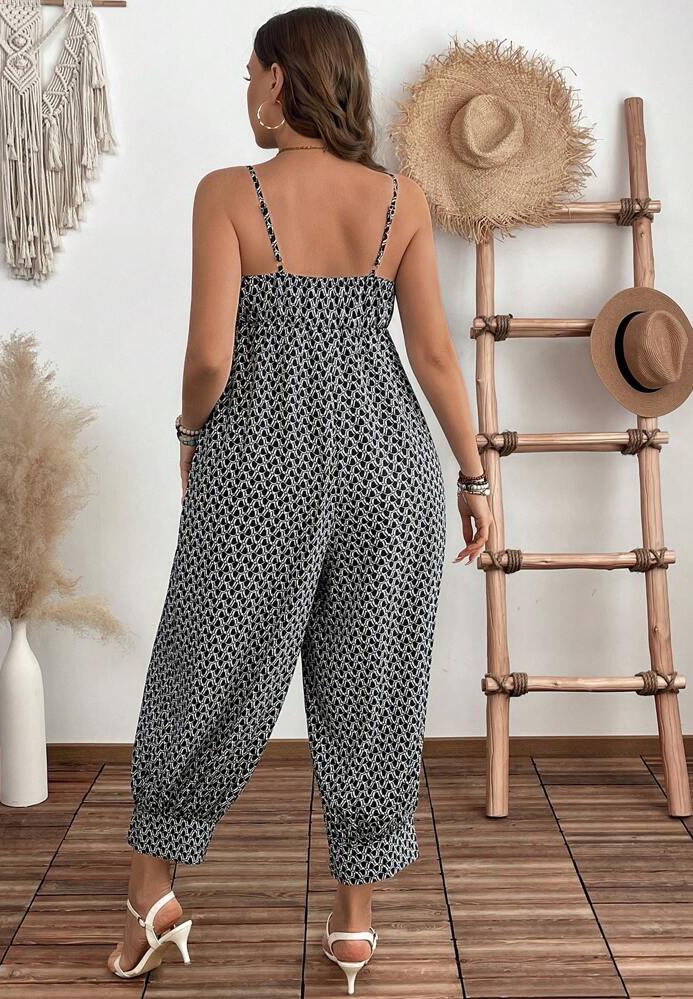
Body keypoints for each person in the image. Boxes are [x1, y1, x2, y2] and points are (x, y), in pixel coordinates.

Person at [107, 6, 492, 991]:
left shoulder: (227, 193)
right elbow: (434, 356)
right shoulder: (403, 200)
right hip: (387, 465)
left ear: (280, 80)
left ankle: (153, 895)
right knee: (374, 684)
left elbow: (208, 356)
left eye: (251, 72)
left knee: (203, 664)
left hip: (258, 461)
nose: (246, 88)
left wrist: (189, 431)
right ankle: (354, 924)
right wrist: (474, 474)